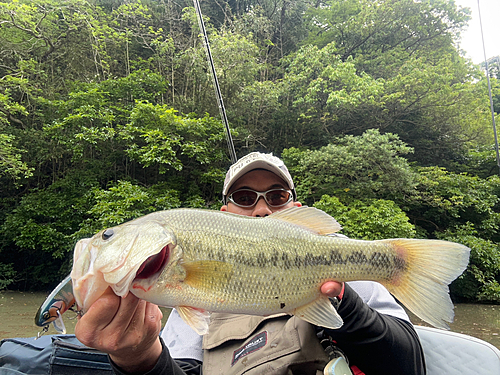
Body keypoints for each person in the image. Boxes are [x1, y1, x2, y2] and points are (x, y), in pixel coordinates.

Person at [75, 152, 426, 375]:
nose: (261, 208)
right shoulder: (180, 296)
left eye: (276, 196)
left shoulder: (338, 255)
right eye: (245, 198)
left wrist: (343, 302)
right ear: (223, 214)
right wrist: (138, 359)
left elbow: (409, 364)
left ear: (297, 209)